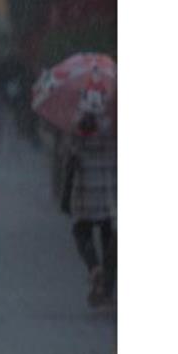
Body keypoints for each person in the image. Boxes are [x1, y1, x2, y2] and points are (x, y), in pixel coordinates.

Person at [61, 111, 117, 306]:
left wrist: (65, 197)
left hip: (84, 193)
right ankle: (107, 289)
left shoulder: (77, 126)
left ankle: (94, 267)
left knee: (81, 231)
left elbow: (70, 161)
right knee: (108, 237)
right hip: (108, 192)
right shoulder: (113, 124)